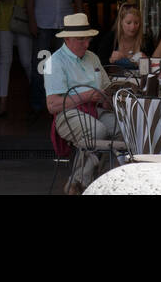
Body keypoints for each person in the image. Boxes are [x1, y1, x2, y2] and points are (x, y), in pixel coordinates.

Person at [44, 12, 117, 195]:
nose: (86, 44)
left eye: (88, 40)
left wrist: (107, 97)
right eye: (81, 40)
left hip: (95, 110)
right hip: (67, 115)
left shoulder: (92, 57)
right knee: (97, 131)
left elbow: (107, 87)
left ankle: (95, 182)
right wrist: (86, 96)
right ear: (68, 39)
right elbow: (52, 105)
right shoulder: (55, 62)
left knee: (123, 128)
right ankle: (79, 184)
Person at [25, 0, 83, 113]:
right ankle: (38, 104)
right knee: (41, 65)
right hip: (43, 21)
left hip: (65, 23)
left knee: (65, 64)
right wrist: (32, 20)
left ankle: (63, 105)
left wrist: (80, 16)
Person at [96, 2, 147, 69]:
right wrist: (110, 60)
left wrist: (147, 61)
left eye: (136, 23)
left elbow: (154, 66)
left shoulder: (145, 40)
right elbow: (97, 65)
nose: (133, 27)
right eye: (128, 23)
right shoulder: (110, 38)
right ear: (120, 23)